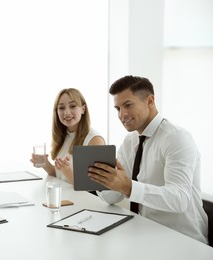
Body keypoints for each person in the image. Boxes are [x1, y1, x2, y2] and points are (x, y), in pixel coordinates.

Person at [88, 75, 208, 244]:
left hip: (183, 240)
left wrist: (128, 187)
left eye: (128, 105)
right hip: (145, 233)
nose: (122, 114)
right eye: (117, 108)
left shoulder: (176, 138)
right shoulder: (130, 142)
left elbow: (179, 199)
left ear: (150, 100)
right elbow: (113, 197)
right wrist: (102, 180)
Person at [31, 88, 105, 184]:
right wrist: (45, 164)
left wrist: (68, 172)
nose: (67, 113)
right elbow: (60, 176)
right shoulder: (64, 136)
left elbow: (95, 186)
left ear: (83, 109)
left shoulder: (94, 140)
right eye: (61, 108)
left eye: (73, 106)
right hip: (65, 196)